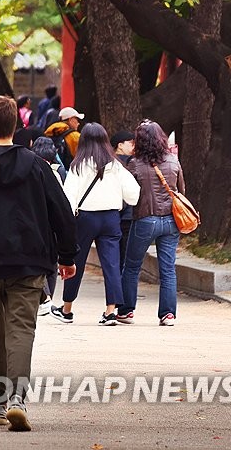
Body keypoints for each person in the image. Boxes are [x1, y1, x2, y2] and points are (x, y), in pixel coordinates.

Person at [0, 95, 77, 432]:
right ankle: (18, 400)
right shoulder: (37, 165)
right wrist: (67, 256)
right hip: (30, 261)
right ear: (16, 126)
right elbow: (61, 212)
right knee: (22, 329)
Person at [50, 124, 140, 326]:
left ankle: (67, 309)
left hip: (85, 219)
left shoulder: (78, 165)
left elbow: (68, 197)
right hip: (111, 218)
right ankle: (110, 312)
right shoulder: (115, 165)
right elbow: (133, 194)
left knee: (77, 263)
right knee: (112, 264)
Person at [119, 119, 185, 327]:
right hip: (171, 221)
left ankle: (127, 310)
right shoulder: (174, 161)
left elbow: (128, 195)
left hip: (145, 219)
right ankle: (168, 315)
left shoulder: (135, 164)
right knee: (167, 269)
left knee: (131, 267)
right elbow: (181, 191)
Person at [30, 136, 66, 313]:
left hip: (34, 221)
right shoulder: (57, 172)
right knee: (51, 261)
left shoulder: (28, 170)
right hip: (50, 223)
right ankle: (48, 296)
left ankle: (44, 297)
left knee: (38, 259)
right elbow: (61, 202)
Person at [110, 130, 136, 268]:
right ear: (120, 145)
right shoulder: (113, 163)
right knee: (123, 254)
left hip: (121, 214)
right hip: (122, 214)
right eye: (131, 143)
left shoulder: (133, 161)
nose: (133, 146)